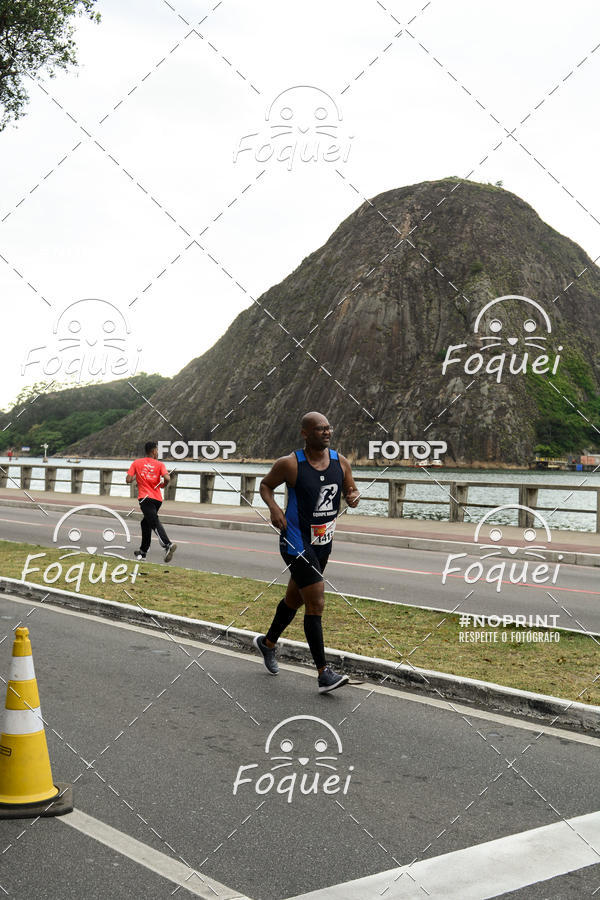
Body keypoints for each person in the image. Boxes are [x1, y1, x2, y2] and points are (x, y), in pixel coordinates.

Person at [253, 412, 360, 693]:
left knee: (295, 598)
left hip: (324, 542)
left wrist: (353, 497)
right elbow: (265, 486)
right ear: (305, 433)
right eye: (319, 429)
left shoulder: (340, 461)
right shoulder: (290, 464)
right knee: (317, 602)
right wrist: (274, 509)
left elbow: (352, 492)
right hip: (296, 540)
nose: (326, 433)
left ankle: (267, 644)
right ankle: (324, 672)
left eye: (328, 428)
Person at [126, 441, 177, 562]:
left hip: (145, 498)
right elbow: (167, 478)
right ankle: (143, 552)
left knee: (153, 521)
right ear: (154, 451)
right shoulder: (160, 464)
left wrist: (136, 476)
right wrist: (163, 484)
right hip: (157, 499)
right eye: (157, 450)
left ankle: (167, 545)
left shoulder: (136, 463)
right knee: (145, 523)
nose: (158, 452)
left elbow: (128, 479)